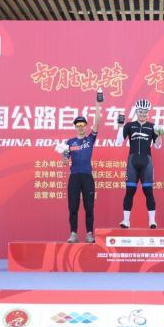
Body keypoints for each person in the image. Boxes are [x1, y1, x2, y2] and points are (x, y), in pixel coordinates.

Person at [115, 98, 164, 228]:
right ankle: (126, 221)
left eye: (145, 112)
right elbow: (119, 141)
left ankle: (152, 221)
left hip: (146, 162)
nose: (143, 114)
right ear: (136, 111)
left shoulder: (153, 127)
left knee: (148, 191)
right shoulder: (129, 126)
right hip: (132, 162)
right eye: (140, 111)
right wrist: (120, 126)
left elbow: (158, 146)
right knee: (130, 191)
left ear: (148, 112)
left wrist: (160, 136)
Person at [62, 94, 102, 243]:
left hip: (87, 177)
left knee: (89, 206)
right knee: (73, 206)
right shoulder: (69, 142)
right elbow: (65, 161)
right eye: (78, 125)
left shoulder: (90, 139)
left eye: (82, 125)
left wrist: (98, 105)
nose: (80, 127)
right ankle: (73, 234)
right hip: (74, 177)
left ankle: (89, 233)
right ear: (75, 127)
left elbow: (97, 123)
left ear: (86, 126)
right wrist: (64, 158)